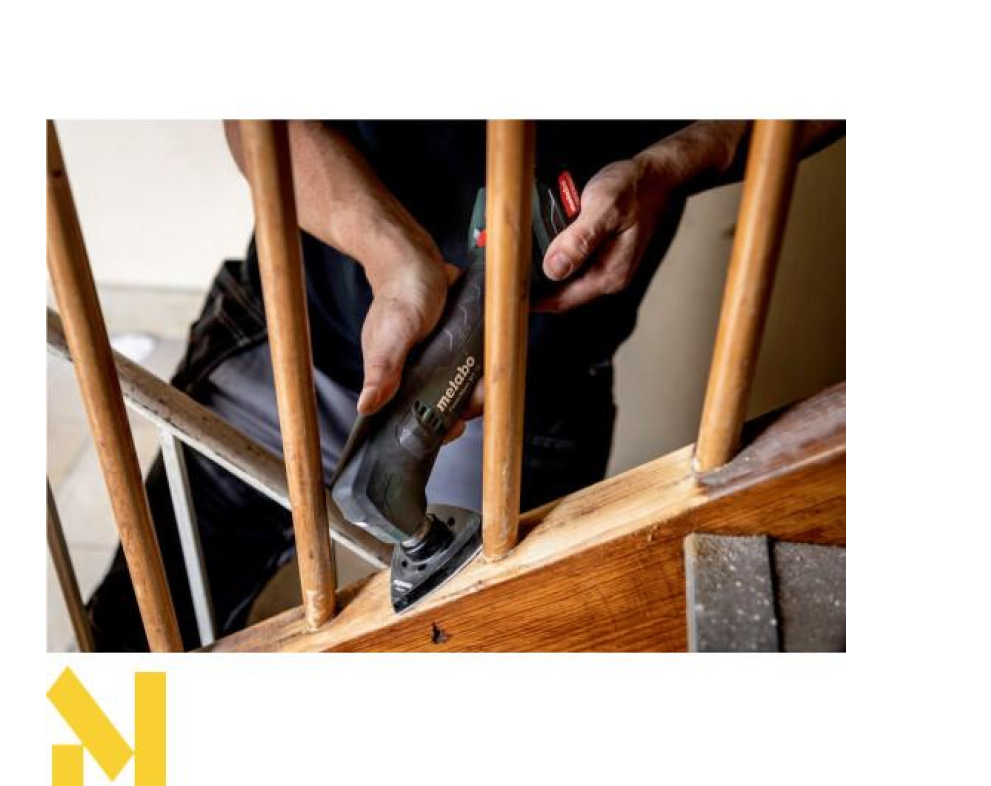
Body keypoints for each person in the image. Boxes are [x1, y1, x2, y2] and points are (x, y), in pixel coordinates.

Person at [86, 120, 844, 651]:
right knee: (127, 638)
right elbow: (256, 120)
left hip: (528, 387)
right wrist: (392, 255)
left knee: (485, 655)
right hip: (300, 325)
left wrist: (677, 162)